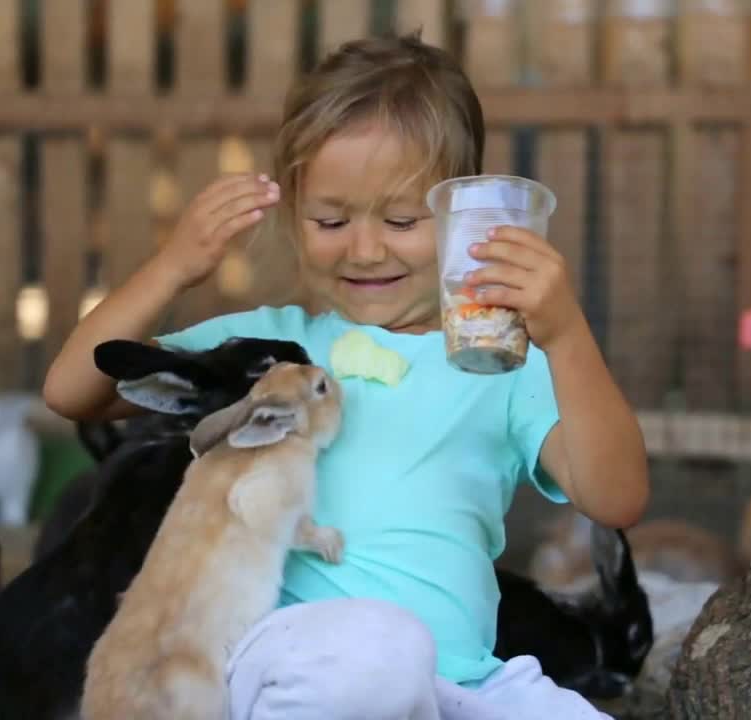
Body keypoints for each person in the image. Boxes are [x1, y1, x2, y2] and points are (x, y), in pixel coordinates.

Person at [42, 31, 649, 720]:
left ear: (462, 211)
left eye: (400, 218)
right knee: (377, 653)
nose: (365, 249)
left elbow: (617, 498)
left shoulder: (501, 359)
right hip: (294, 666)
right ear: (296, 214)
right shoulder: (271, 351)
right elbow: (72, 390)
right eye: (330, 219)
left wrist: (566, 335)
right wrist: (172, 266)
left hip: (460, 680)